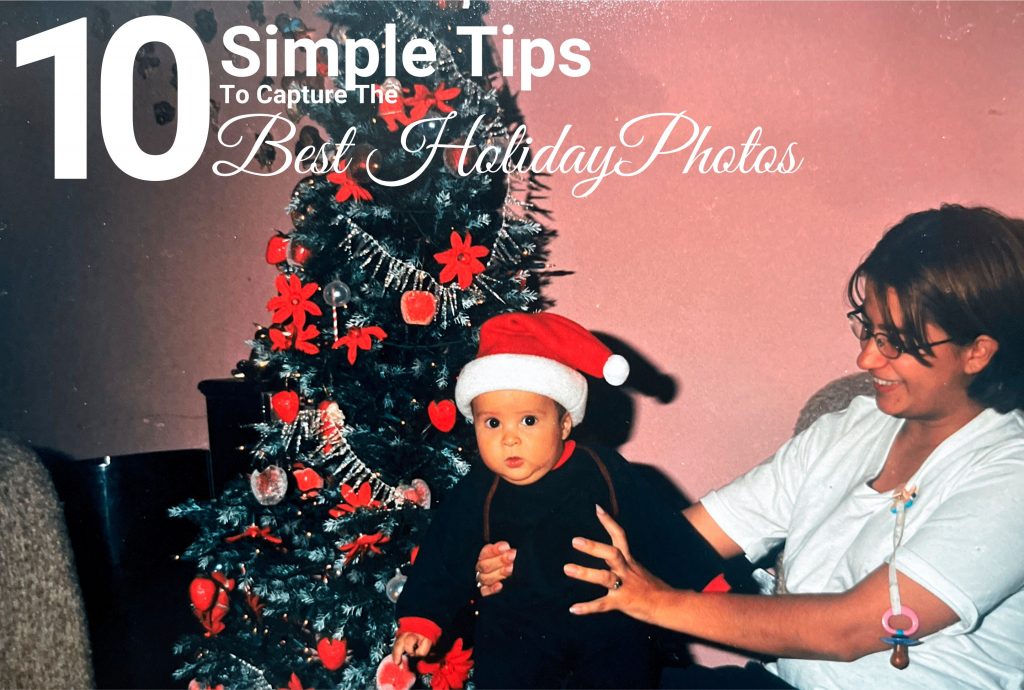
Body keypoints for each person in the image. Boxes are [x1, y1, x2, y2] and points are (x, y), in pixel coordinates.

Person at [476, 205, 1024, 689]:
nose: (866, 361)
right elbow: (680, 541)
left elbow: (854, 629)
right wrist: (526, 557)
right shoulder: (849, 430)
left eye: (895, 343)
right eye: (868, 331)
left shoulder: (1011, 473)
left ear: (978, 352)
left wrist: (656, 602)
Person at [391, 312, 727, 689]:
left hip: (606, 623)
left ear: (564, 424)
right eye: (492, 423)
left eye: (529, 421)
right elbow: (444, 552)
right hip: (516, 632)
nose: (509, 438)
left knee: (624, 667)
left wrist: (708, 584)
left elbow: (660, 528)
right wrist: (420, 619)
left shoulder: (603, 469)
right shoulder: (479, 488)